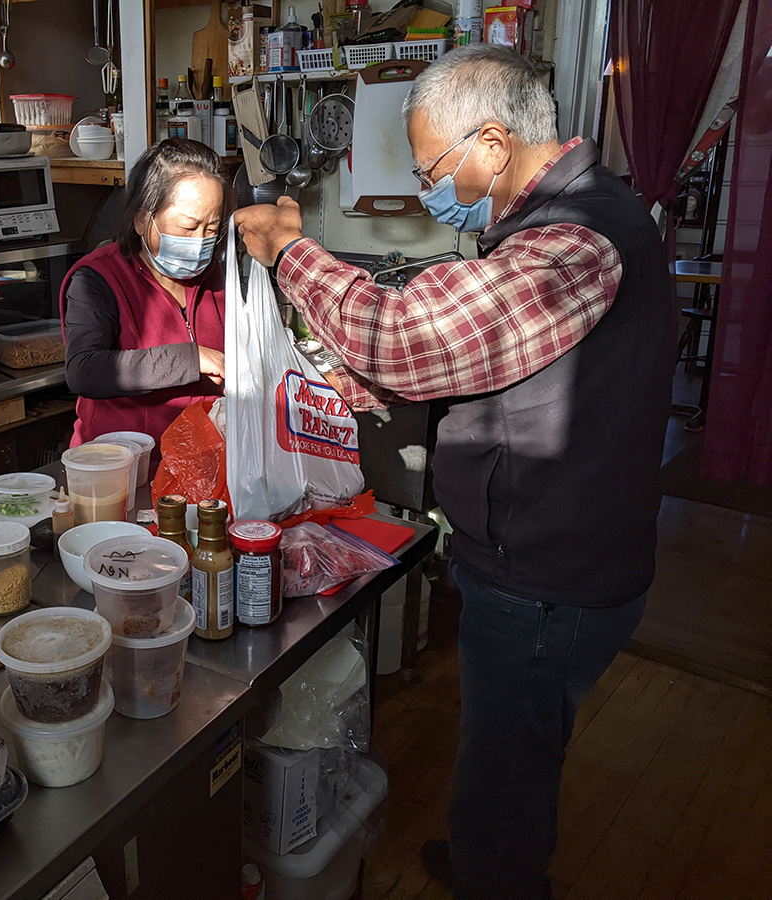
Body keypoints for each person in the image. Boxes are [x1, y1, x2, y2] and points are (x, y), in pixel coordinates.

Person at [235, 45, 676, 900]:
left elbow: (407, 336)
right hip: (537, 555)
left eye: (432, 169)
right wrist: (355, 384)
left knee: (509, 768)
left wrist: (290, 253)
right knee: (504, 755)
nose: (431, 188)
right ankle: (485, 857)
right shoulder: (563, 223)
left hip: (548, 574)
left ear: (493, 143)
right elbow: (493, 361)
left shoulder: (576, 242)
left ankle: (496, 876)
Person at [60, 139, 228, 450]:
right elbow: (84, 371)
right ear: (142, 220)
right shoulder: (98, 278)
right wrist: (191, 359)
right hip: (123, 463)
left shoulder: (214, 276)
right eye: (188, 227)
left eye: (211, 229)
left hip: (202, 460)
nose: (199, 241)